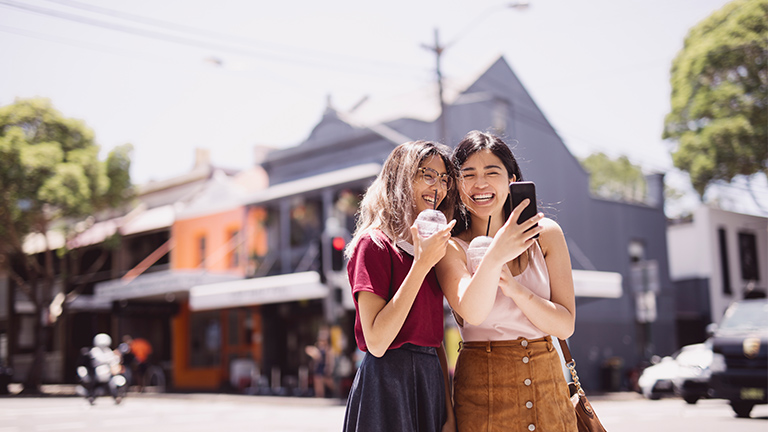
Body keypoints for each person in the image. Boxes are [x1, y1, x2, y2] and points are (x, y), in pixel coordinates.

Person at [436, 131, 578, 432]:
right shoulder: (449, 247)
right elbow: (472, 312)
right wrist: (496, 254)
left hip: (548, 385)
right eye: (468, 174)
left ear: (512, 180)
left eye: (492, 172)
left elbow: (564, 325)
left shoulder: (547, 233)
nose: (480, 184)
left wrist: (516, 290)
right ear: (457, 185)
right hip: (482, 390)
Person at [342, 140, 458, 432]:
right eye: (428, 175)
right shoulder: (374, 245)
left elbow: (435, 341)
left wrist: (448, 411)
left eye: (444, 179)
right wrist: (421, 265)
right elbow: (377, 342)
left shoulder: (430, 250)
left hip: (429, 382)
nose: (439, 187)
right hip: (386, 386)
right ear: (402, 178)